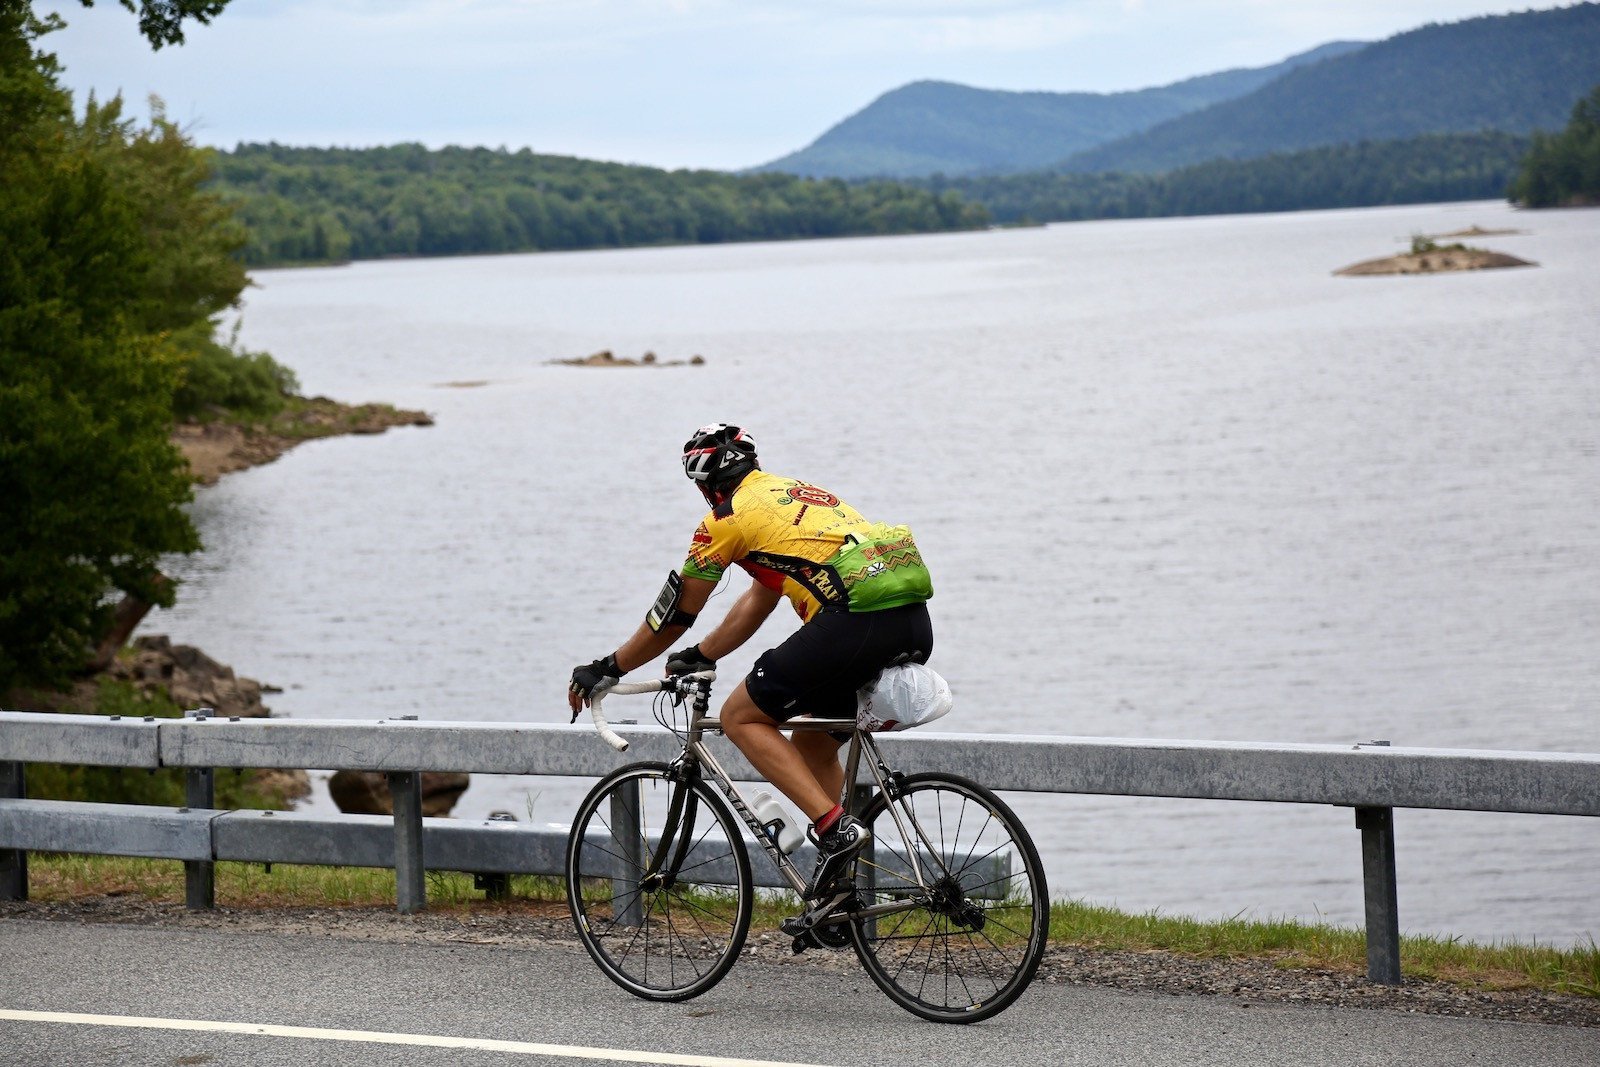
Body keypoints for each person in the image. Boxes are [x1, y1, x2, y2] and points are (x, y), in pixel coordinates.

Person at [567, 424, 934, 897]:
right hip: (912, 621)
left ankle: (833, 829)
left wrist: (608, 668)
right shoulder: (794, 494)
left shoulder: (724, 521)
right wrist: (701, 655)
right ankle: (842, 892)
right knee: (813, 747)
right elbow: (760, 598)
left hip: (853, 622)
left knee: (740, 717)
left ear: (704, 485)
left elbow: (675, 615)